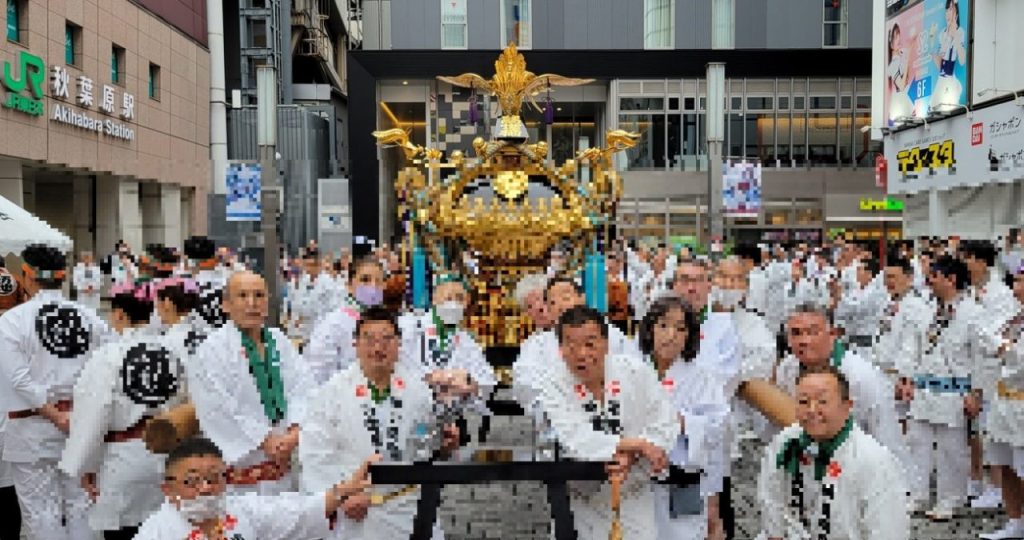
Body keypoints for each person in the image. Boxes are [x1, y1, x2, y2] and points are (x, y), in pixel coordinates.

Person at [301, 306, 459, 540]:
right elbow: (315, 453)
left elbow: (423, 448)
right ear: (355, 344)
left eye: (387, 339)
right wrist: (341, 496)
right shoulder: (331, 392)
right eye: (369, 339)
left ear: (399, 344)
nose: (378, 348)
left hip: (406, 508)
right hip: (355, 510)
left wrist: (443, 447)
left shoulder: (418, 391)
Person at [532, 305, 676, 540]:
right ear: (561, 349)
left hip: (634, 493)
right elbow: (573, 438)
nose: (581, 354)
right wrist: (635, 445)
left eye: (590, 343)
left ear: (606, 343)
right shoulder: (552, 385)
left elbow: (665, 421)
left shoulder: (635, 372)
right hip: (583, 499)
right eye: (572, 345)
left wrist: (634, 454)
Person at [59, 280, 189, 539]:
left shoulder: (109, 356)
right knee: (167, 528)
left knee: (125, 530)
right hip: (168, 453)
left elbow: (93, 415)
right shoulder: (174, 351)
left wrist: (86, 465)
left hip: (123, 459)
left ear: (119, 314)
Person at [0, 244, 113, 540]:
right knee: (82, 506)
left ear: (26, 274)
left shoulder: (12, 321)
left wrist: (53, 414)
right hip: (81, 422)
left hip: (32, 427)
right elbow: (109, 369)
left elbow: (18, 379)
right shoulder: (91, 318)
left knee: (40, 512)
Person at [188, 271, 314, 494]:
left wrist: (295, 432)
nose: (252, 303)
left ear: (267, 302)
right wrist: (265, 441)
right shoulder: (212, 350)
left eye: (259, 295)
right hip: (241, 477)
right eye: (242, 295)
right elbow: (217, 407)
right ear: (226, 305)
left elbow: (303, 386)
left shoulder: (279, 340)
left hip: (285, 468)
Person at [758, 365, 910, 540]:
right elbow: (771, 499)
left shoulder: (873, 460)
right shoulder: (785, 443)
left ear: (847, 406)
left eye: (823, 401)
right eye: (803, 401)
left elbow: (888, 531)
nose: (812, 410)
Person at [134, 437, 375, 540]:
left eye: (214, 478)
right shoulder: (154, 534)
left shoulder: (239, 509)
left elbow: (297, 512)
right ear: (167, 488)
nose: (206, 488)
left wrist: (344, 490)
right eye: (192, 481)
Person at [776, 303, 909, 473]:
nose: (804, 341)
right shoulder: (787, 368)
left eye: (813, 332)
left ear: (833, 334)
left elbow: (888, 439)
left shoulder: (862, 376)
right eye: (795, 333)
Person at [639, 296, 730, 540]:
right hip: (638, 484)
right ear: (650, 329)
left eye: (680, 329)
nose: (671, 335)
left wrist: (682, 422)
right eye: (663, 326)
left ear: (690, 336)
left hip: (682, 483)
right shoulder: (634, 370)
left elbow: (717, 429)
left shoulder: (702, 378)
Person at [898, 255, 981, 519]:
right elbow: (913, 346)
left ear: (951, 279)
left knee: (951, 448)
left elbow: (981, 357)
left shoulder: (973, 312)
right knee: (916, 443)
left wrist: (975, 392)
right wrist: (906, 378)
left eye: (934, 276)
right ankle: (917, 493)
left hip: (955, 390)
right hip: (923, 386)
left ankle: (950, 499)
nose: (928, 282)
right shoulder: (926, 310)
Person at [961, 240, 1020, 508]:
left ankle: (997, 490)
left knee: (1008, 448)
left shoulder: (1000, 295)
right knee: (985, 438)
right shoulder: (972, 291)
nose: (964, 263)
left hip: (1003, 378)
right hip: (980, 371)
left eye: (968, 258)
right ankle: (989, 487)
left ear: (981, 261)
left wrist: (994, 343)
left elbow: (1000, 343)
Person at [398, 274, 497, 405]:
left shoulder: (467, 341)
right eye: (448, 297)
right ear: (434, 298)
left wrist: (469, 383)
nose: (453, 304)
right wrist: (428, 380)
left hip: (449, 417)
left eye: (460, 299)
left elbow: (487, 381)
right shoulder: (408, 326)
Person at [979, 267, 1024, 540]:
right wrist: (1003, 348)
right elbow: (986, 341)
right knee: (1004, 464)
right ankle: (1015, 521)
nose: (1015, 285)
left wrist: (1003, 349)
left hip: (1021, 404)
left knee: (1022, 467)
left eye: (1020, 280)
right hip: (1003, 400)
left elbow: (1019, 363)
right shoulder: (1013, 316)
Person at [306, 256, 388, 384]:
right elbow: (319, 376)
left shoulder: (391, 323)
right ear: (349, 285)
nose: (373, 286)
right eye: (365, 280)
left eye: (378, 281)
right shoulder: (333, 324)